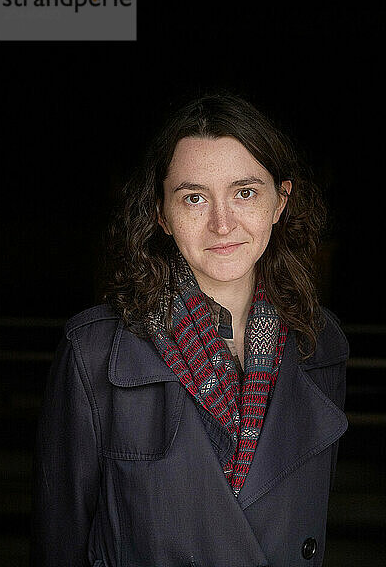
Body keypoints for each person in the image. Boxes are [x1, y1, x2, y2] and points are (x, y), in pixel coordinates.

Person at [30, 91, 349, 567]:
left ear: (280, 202)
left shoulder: (319, 343)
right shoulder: (93, 352)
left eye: (245, 193)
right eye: (194, 197)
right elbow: (59, 544)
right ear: (162, 213)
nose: (223, 224)